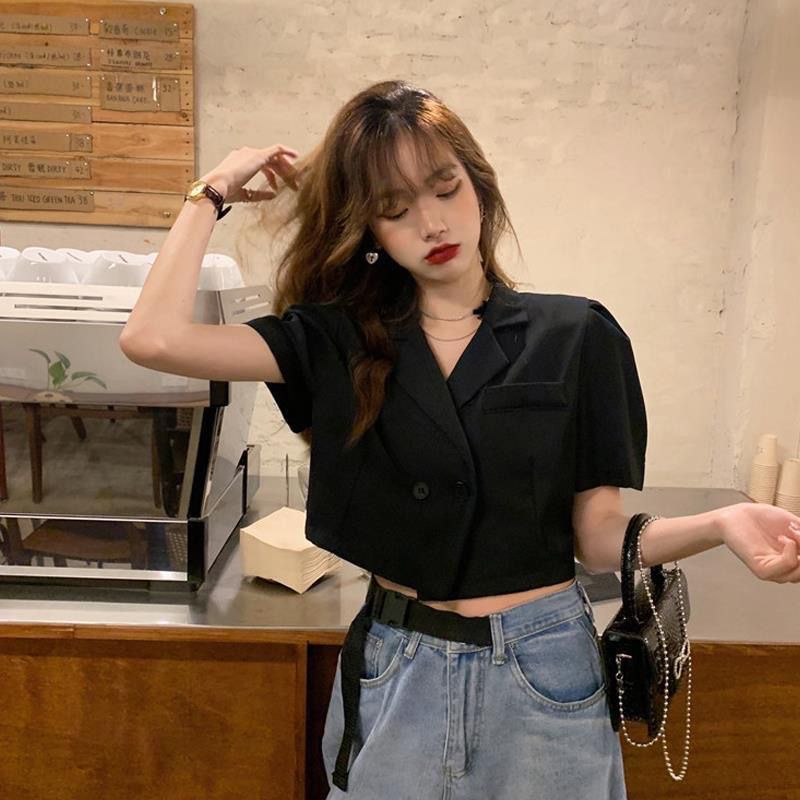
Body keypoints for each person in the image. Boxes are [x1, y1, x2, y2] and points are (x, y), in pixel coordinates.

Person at [120, 80, 800, 799]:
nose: (432, 222)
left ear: (479, 185)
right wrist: (212, 191)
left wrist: (721, 524)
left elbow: (598, 537)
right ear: (370, 232)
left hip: (543, 670)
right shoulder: (335, 339)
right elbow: (151, 338)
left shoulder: (577, 336)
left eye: (445, 188)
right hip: (397, 666)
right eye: (395, 209)